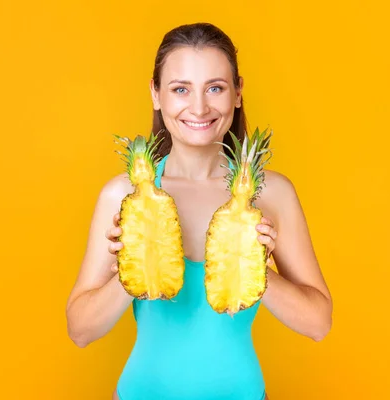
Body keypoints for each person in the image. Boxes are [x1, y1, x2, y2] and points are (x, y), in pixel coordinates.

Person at [66, 22, 333, 400]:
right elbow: (80, 331)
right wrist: (134, 265)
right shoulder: (123, 195)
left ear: (237, 93)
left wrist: (252, 265)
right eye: (180, 89)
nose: (199, 107)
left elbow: (318, 324)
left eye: (215, 88)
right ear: (156, 95)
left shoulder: (270, 194)